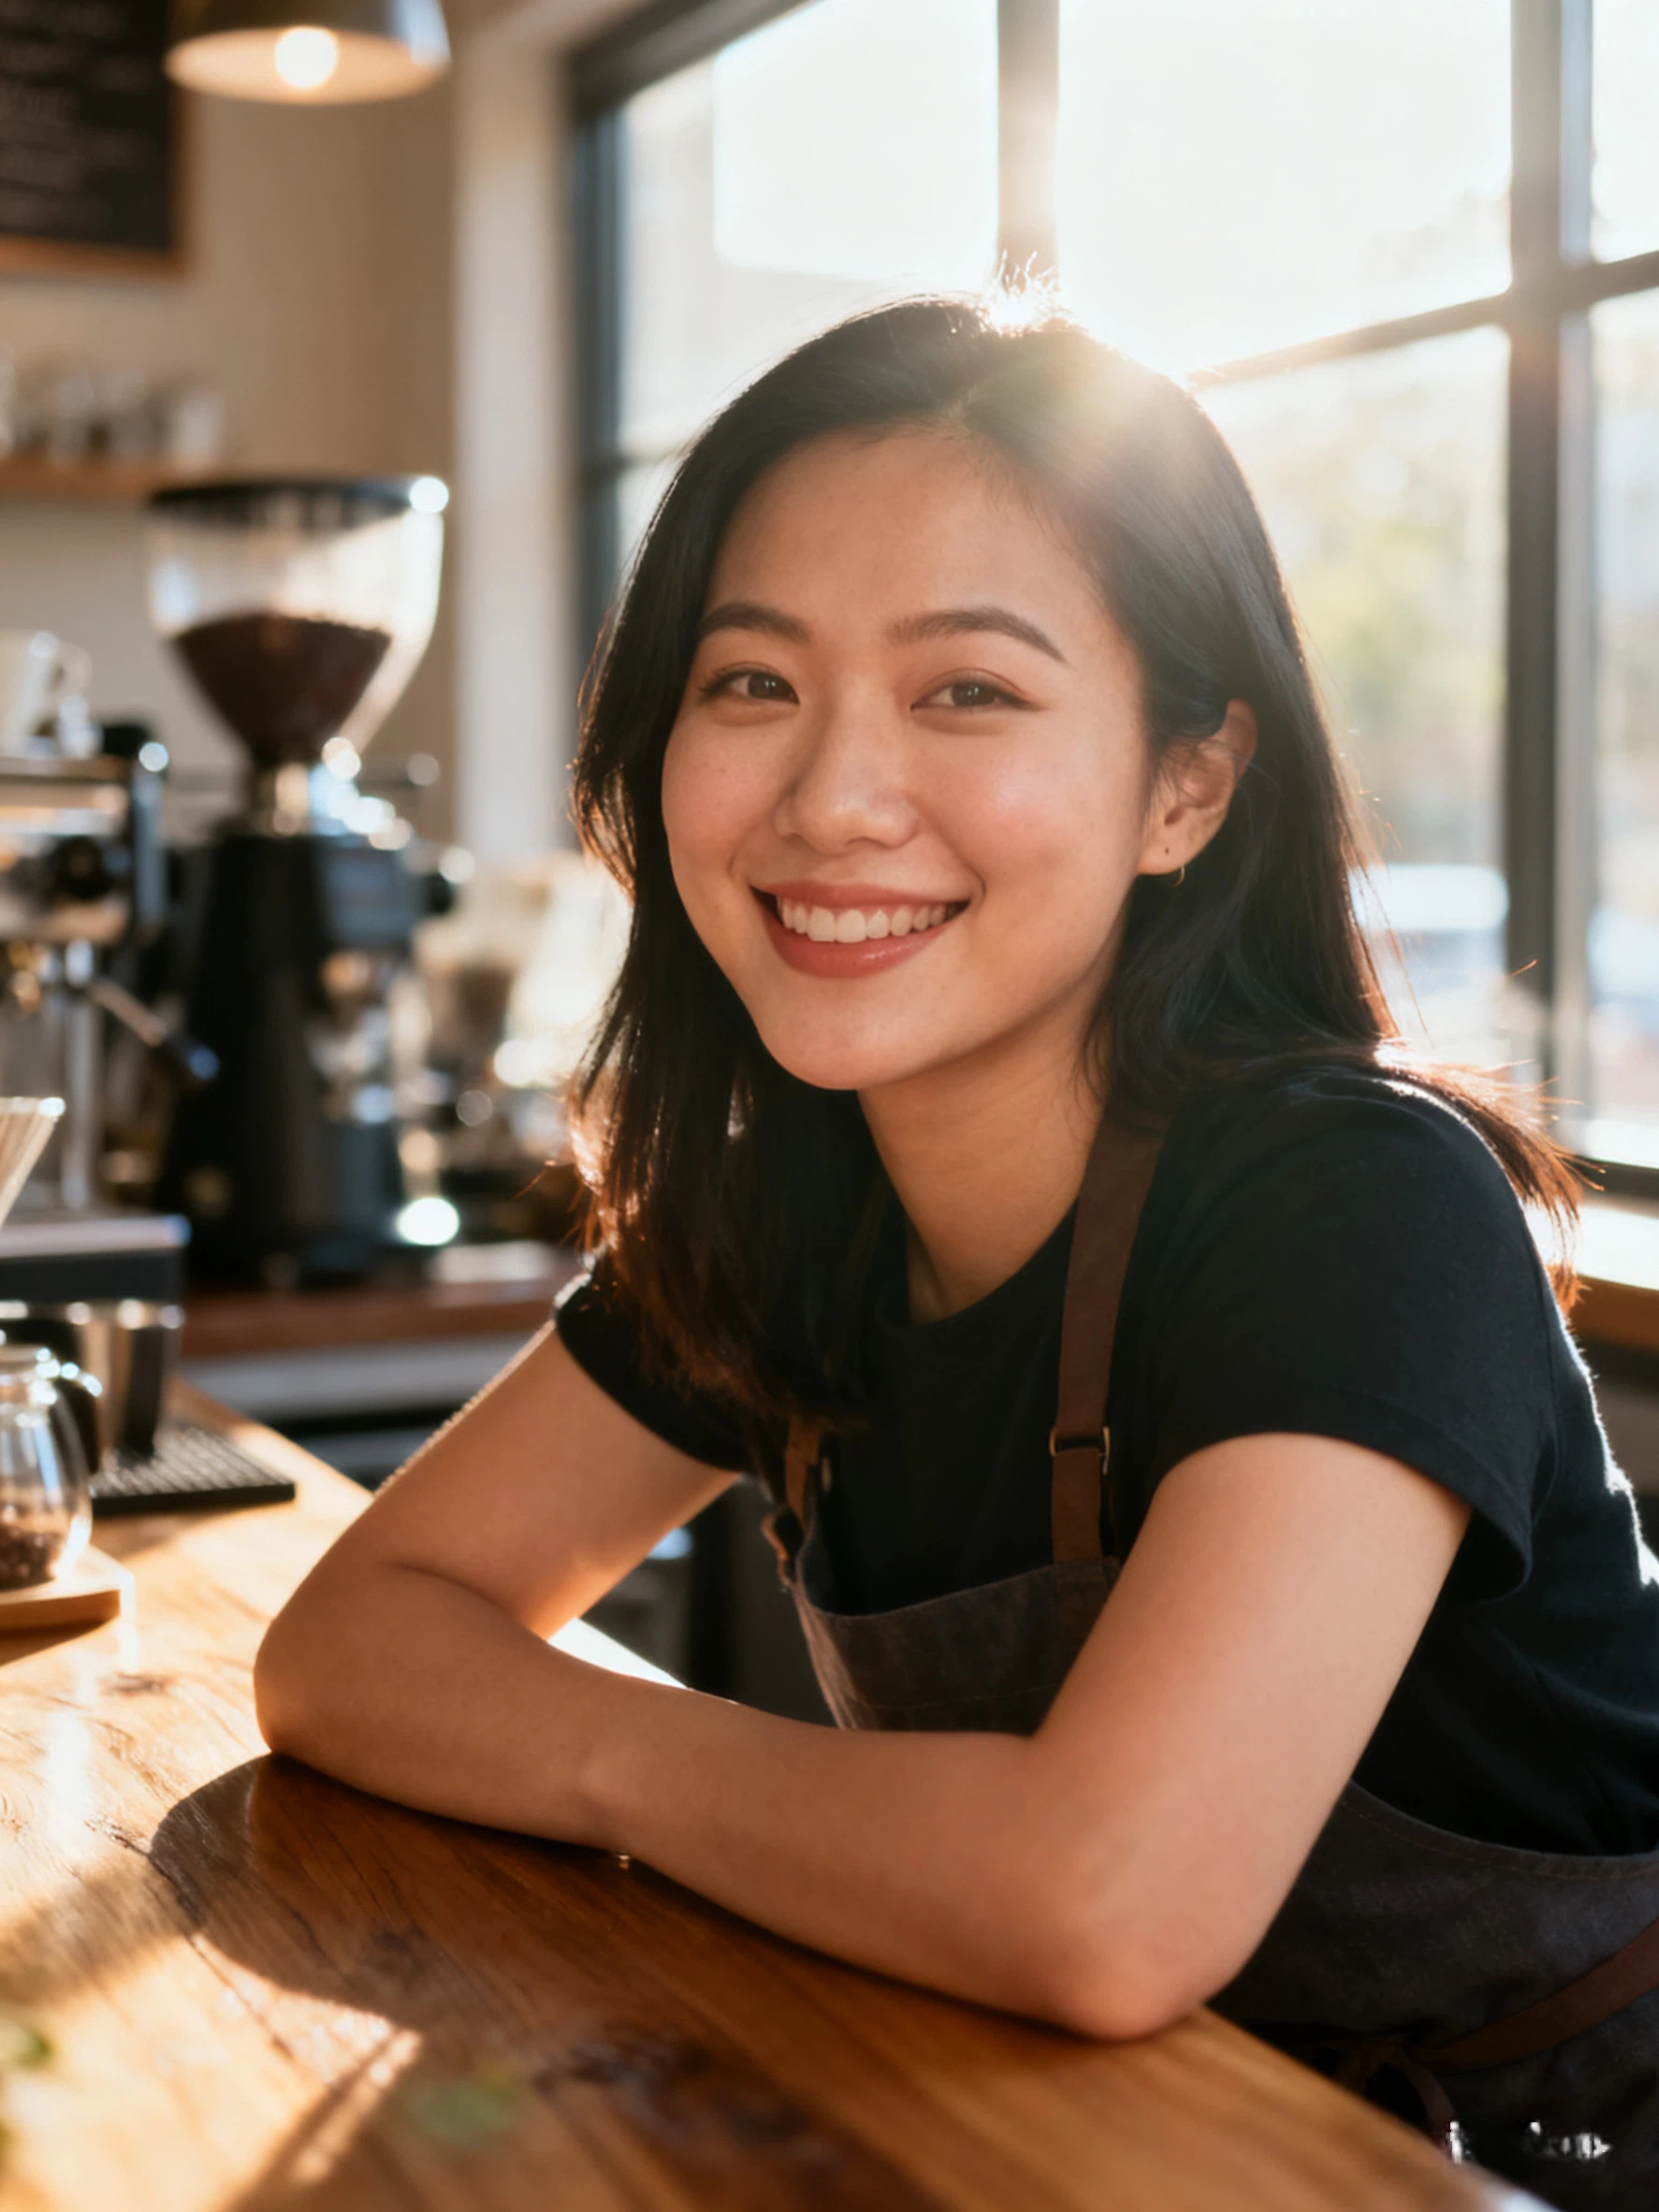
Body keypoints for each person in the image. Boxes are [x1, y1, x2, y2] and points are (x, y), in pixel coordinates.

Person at [256, 298, 1659, 2204]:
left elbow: (1103, 1906)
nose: (830, 797)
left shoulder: (1357, 1205)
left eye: (966, 693)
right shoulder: (782, 1206)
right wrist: (853, 1824)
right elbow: (346, 1650)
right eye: (749, 684)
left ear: (1185, 784)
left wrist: (603, 1759)